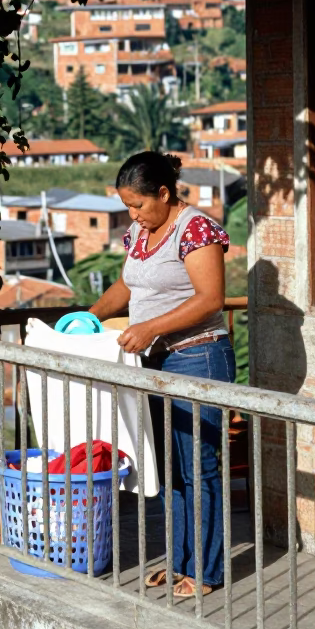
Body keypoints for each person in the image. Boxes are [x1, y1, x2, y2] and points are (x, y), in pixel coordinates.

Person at [88, 150, 233, 596]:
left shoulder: (196, 229)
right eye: (128, 206)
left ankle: (206, 572)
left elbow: (210, 299)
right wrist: (88, 318)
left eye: (139, 205)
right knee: (169, 468)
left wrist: (148, 327)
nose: (133, 215)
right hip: (154, 362)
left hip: (197, 357)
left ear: (165, 193)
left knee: (199, 468)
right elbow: (128, 284)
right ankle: (180, 561)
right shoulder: (140, 231)